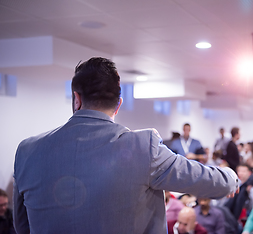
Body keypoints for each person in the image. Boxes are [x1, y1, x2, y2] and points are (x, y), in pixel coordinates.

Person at [13, 57, 239, 234]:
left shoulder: (27, 151)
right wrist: (231, 178)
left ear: (77, 99)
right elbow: (205, 180)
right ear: (118, 104)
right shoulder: (142, 147)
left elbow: (22, 226)